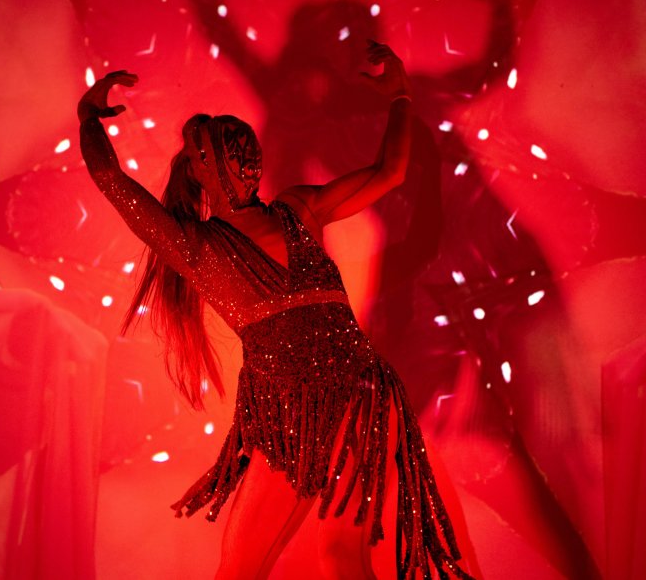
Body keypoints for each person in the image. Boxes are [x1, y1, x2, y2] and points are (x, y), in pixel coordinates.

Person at [78, 42, 480, 579]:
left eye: (243, 149)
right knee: (243, 567)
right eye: (221, 151)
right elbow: (112, 183)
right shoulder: (198, 245)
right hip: (287, 411)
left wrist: (402, 97)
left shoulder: (299, 208)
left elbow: (391, 172)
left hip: (359, 394)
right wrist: (88, 118)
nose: (241, 162)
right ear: (198, 170)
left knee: (338, 557)